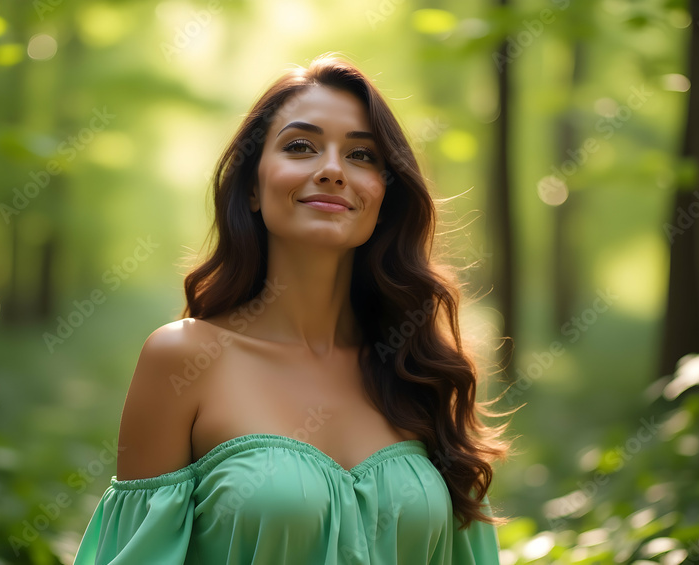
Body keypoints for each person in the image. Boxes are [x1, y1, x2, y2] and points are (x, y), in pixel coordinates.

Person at [72, 54, 508, 564]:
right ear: (252, 188)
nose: (332, 170)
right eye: (300, 146)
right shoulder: (183, 359)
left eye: (361, 155)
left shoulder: (420, 369)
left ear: (384, 195)